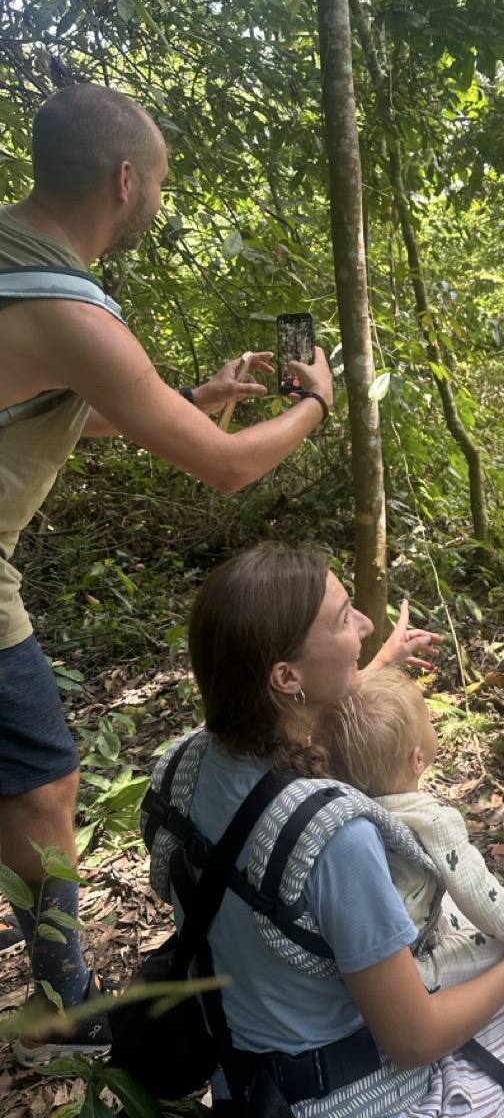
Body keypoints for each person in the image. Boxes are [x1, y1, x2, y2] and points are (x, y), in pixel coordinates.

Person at [0, 83, 337, 1061]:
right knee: (46, 783)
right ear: (122, 180)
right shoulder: (71, 310)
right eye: (157, 182)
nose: (156, 197)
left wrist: (196, 397)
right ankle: (63, 1011)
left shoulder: (16, 260)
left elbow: (64, 404)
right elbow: (226, 468)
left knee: (36, 786)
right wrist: (312, 403)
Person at [153, 543, 504, 1116]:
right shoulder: (335, 835)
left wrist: (372, 664)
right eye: (344, 619)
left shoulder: (179, 768)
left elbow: (282, 721)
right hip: (368, 1100)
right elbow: (413, 1041)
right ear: (287, 676)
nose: (366, 623)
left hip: (245, 1087)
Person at [325, 666, 504, 991]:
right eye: (429, 720)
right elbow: (481, 899)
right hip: (415, 969)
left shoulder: (345, 803)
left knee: (452, 901)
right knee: (502, 929)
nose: (433, 723)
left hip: (384, 941)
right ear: (417, 759)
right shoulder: (433, 821)